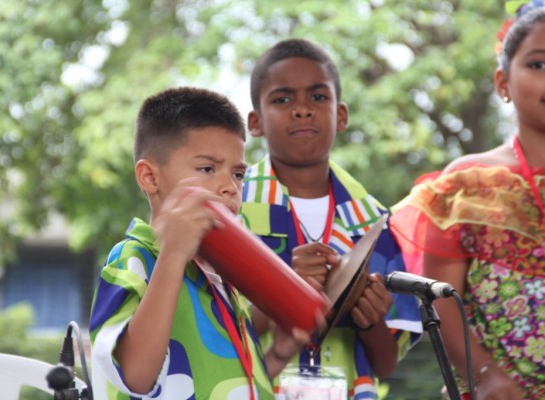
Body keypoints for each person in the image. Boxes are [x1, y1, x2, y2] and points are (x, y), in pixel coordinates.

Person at [89, 87, 323, 400]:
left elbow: (228, 383)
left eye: (238, 174)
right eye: (207, 169)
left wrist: (277, 356)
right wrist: (173, 253)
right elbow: (136, 377)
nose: (229, 187)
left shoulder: (222, 276)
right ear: (149, 177)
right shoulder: (135, 257)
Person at [240, 38, 423, 398]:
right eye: (282, 99)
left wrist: (368, 320)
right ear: (255, 122)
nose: (302, 110)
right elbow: (210, 328)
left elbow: (386, 363)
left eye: (318, 97)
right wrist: (284, 291)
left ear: (341, 116)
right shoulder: (233, 210)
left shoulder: (375, 222)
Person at [390, 3, 545, 399]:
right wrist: (487, 376)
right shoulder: (467, 185)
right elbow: (441, 300)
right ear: (502, 83)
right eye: (539, 65)